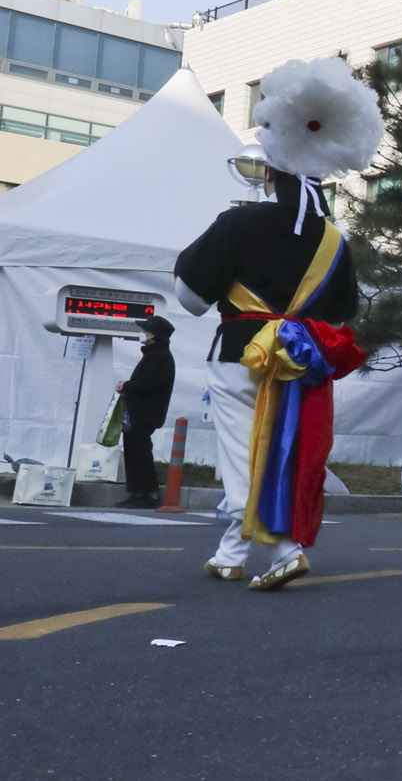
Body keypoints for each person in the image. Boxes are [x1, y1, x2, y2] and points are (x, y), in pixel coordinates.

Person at [174, 58, 380, 590]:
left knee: (243, 456)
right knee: (282, 450)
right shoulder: (336, 239)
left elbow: (190, 297)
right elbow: (342, 311)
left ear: (270, 169)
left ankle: (282, 547)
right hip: (298, 359)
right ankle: (231, 553)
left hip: (239, 352)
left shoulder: (238, 221)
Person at [114, 316, 177, 508]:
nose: (144, 334)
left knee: (140, 452)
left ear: (153, 335)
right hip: (140, 413)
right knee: (134, 452)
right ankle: (137, 491)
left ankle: (148, 493)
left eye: (147, 331)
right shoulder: (156, 355)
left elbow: (148, 384)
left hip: (145, 413)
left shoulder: (159, 356)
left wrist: (127, 385)